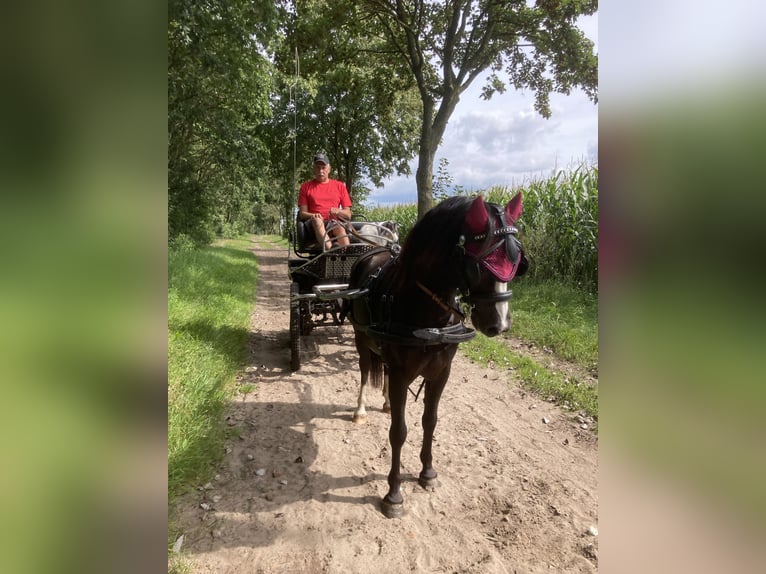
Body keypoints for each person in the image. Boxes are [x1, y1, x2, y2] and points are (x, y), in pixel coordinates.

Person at [298, 152, 352, 250]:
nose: (321, 171)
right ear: (314, 169)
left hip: (333, 222)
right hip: (313, 224)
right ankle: (331, 252)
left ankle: (347, 255)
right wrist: (313, 215)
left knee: (339, 227)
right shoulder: (305, 187)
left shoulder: (339, 186)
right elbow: (302, 214)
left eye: (323, 168)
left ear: (329, 169)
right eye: (318, 168)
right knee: (318, 221)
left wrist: (339, 211)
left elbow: (348, 214)